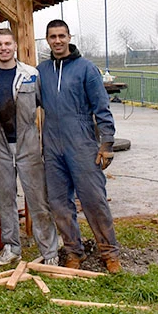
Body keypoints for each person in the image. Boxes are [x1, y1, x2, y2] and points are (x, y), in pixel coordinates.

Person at [37, 19, 121, 273]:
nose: (58, 41)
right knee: (59, 203)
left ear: (69, 37)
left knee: (94, 200)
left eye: (62, 36)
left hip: (82, 142)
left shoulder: (86, 68)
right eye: (53, 37)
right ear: (48, 40)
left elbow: (101, 107)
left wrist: (106, 143)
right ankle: (73, 250)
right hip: (52, 146)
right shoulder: (42, 71)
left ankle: (109, 252)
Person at [0, 28, 59, 267]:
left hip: (27, 144)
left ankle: (50, 251)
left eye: (7, 43)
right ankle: (11, 247)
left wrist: (46, 141)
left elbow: (44, 108)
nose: (3, 48)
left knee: (37, 198)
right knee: (5, 198)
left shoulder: (31, 75)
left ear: (15, 46)